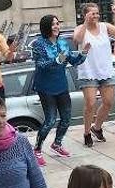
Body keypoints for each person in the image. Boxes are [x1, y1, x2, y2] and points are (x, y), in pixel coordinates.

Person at [31, 14, 89, 166]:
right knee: (50, 120)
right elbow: (40, 65)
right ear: (46, 27)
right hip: (46, 87)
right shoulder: (38, 44)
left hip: (61, 86)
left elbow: (73, 61)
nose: (56, 27)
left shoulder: (63, 43)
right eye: (53, 24)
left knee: (66, 118)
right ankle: (37, 149)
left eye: (57, 24)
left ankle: (57, 143)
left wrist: (83, 53)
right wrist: (57, 60)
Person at [73, 2, 115, 147]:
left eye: (97, 13)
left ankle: (97, 128)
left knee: (108, 102)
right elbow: (77, 39)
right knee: (90, 103)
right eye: (92, 13)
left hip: (105, 70)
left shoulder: (104, 26)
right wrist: (85, 22)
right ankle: (86, 133)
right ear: (85, 15)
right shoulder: (80, 28)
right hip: (88, 71)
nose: (96, 16)